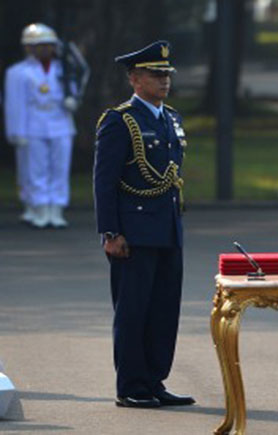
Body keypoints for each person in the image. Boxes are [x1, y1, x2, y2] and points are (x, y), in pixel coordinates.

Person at [94, 40, 194, 409]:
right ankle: (132, 384)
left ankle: (154, 380)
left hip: (167, 228)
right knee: (133, 310)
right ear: (135, 79)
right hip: (133, 232)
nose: (164, 80)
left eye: (166, 74)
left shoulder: (171, 118)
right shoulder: (120, 121)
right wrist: (110, 231)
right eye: (156, 74)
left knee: (164, 310)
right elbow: (104, 181)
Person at [3, 23, 76, 228]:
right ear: (29, 47)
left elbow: (73, 90)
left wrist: (73, 101)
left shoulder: (64, 68)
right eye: (39, 45)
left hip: (61, 124)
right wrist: (16, 131)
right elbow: (15, 104)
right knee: (36, 170)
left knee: (60, 168)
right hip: (33, 126)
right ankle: (40, 208)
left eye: (48, 45)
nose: (45, 49)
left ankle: (57, 210)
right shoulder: (18, 72)